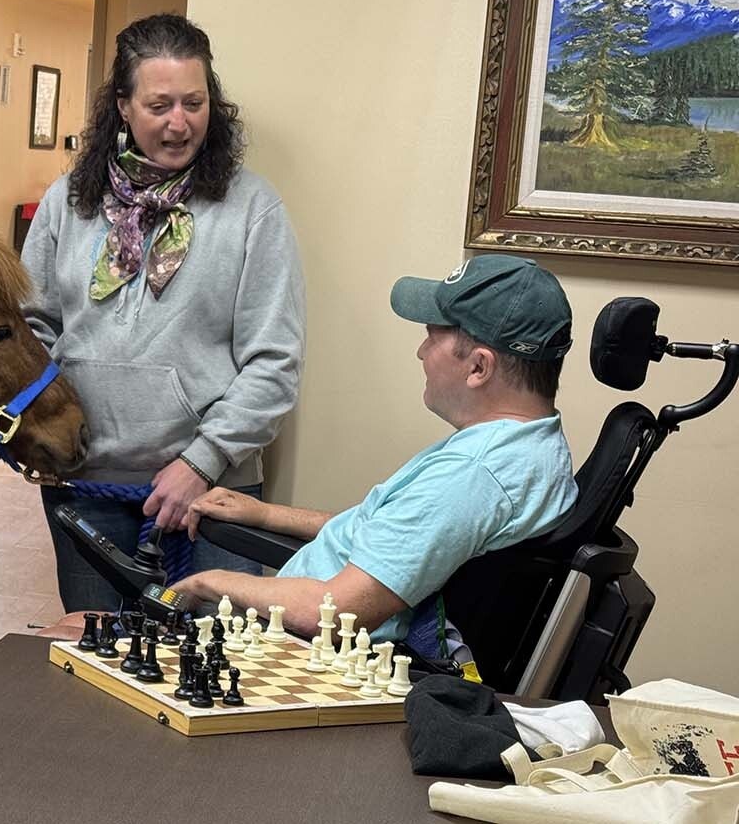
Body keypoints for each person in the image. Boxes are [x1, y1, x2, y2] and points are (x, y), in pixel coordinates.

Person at [21, 13, 306, 613]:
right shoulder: (66, 202)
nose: (180, 123)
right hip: (88, 486)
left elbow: (273, 361)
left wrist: (200, 463)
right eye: (159, 105)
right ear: (122, 107)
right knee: (100, 675)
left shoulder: (252, 209)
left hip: (210, 499)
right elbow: (30, 331)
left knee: (210, 680)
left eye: (194, 103)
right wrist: (39, 431)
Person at [172, 255, 579, 648]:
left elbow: (330, 614)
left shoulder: (472, 475)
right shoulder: (533, 445)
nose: (421, 352)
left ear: (478, 367)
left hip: (307, 652)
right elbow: (398, 536)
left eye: (431, 336)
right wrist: (267, 514)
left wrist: (207, 581)